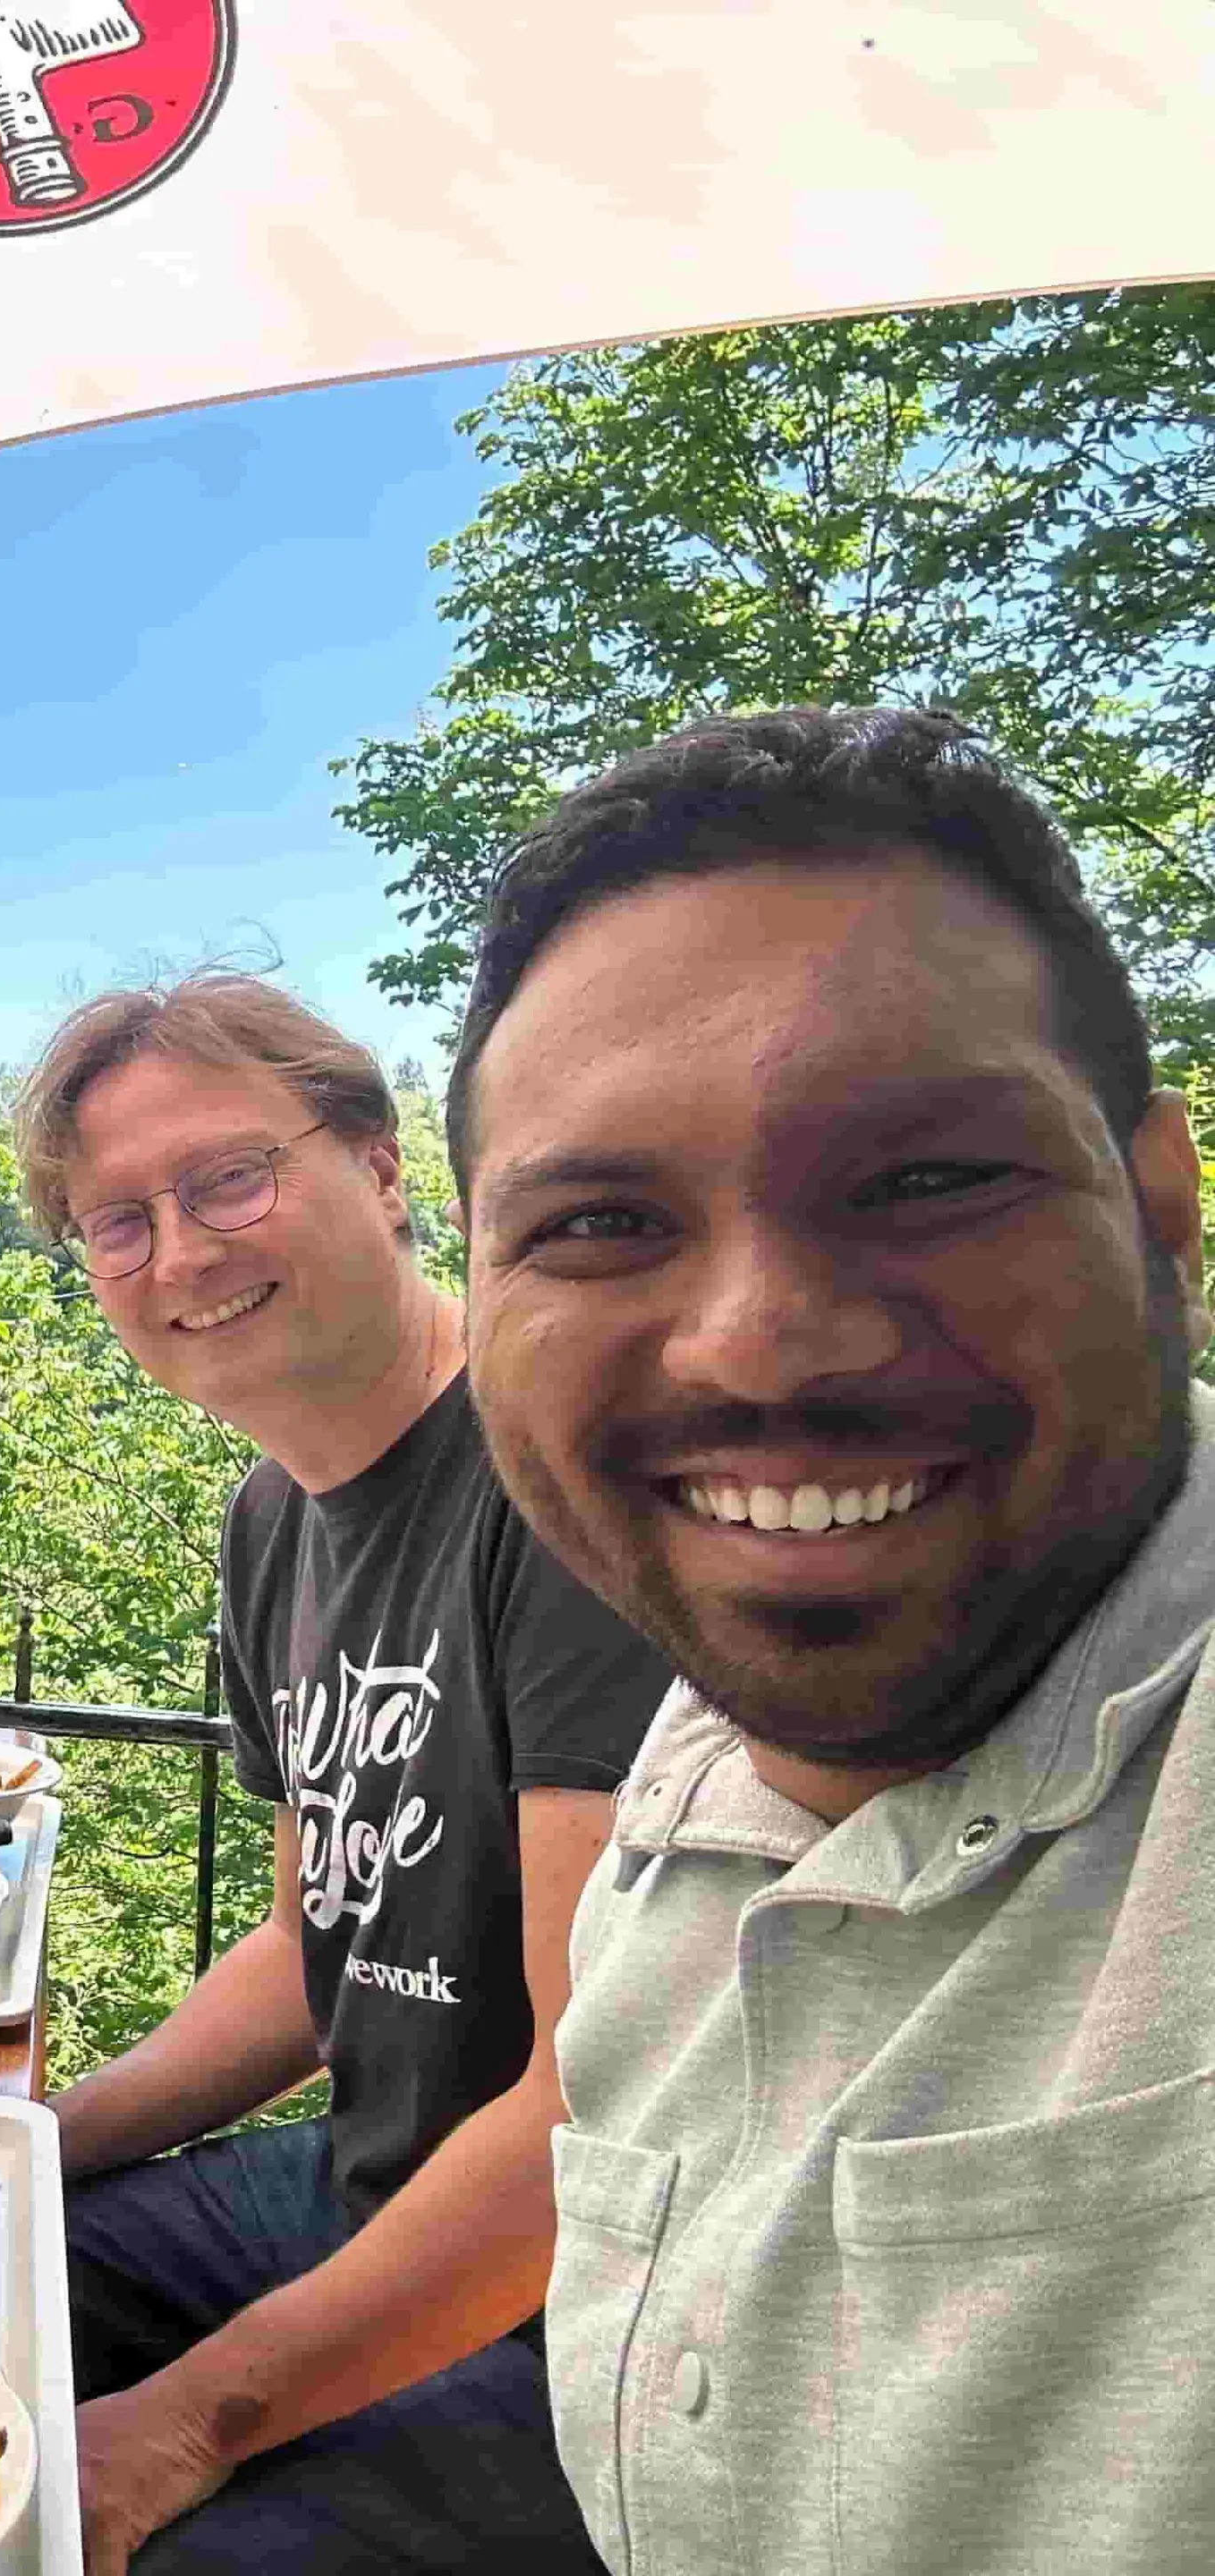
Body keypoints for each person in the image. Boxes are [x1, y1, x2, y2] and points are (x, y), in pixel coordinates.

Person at [452, 707, 1215, 2573]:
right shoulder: (695, 1761)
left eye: (928, 1179)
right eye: (604, 1220)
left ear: (1162, 1208)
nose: (764, 1342)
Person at [8, 974, 674, 2572]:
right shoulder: (275, 1518)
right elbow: (320, 1956)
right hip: (357, 2185)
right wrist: (33, 2139)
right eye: (116, 1223)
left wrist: (187, 2423)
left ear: (382, 1168)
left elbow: (602, 2109)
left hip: (588, 2317)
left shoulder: (550, 1488)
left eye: (230, 1177)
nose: (180, 1252)